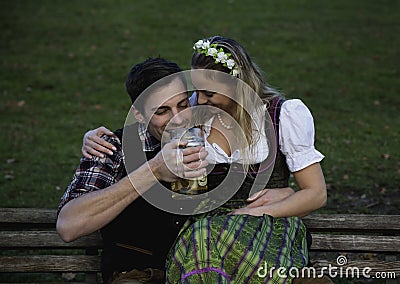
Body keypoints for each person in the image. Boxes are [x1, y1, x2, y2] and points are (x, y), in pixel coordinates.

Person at [83, 36, 329, 283]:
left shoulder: (282, 116)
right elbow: (152, 121)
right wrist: (95, 136)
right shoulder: (195, 113)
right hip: (207, 232)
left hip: (266, 226)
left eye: (209, 93)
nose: (199, 100)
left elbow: (316, 194)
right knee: (203, 243)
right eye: (197, 91)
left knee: (207, 242)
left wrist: (255, 212)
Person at [56, 57, 209, 283]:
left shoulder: (209, 135)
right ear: (138, 114)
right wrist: (153, 170)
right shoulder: (114, 147)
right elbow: (69, 226)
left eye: (183, 105)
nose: (177, 119)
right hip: (138, 275)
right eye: (162, 111)